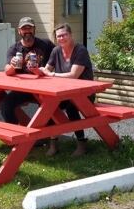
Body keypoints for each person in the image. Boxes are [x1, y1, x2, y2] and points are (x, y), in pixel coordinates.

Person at [39, 23, 94, 157]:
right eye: (59, 36)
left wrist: (51, 75)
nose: (62, 38)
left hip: (84, 93)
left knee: (71, 107)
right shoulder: (56, 51)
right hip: (64, 92)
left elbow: (73, 75)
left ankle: (81, 143)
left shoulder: (80, 50)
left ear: (71, 35)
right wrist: (38, 69)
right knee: (49, 105)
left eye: (64, 35)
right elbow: (47, 69)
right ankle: (53, 143)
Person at [0, 17, 55, 125]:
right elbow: (7, 71)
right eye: (24, 29)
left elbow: (57, 57)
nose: (27, 31)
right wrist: (12, 66)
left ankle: (49, 136)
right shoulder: (14, 48)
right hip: (24, 89)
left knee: (48, 106)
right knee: (5, 104)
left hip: (45, 88)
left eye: (29, 28)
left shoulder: (46, 44)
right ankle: (15, 134)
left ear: (34, 29)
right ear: (19, 31)